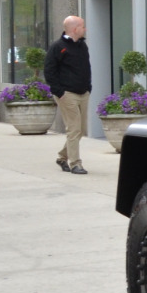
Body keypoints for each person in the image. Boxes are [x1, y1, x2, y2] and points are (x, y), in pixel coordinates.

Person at [45, 16, 92, 175]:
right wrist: (59, 92)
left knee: (81, 129)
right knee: (73, 128)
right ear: (74, 29)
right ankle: (75, 164)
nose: (84, 29)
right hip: (67, 94)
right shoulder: (58, 47)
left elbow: (86, 67)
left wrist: (88, 87)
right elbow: (49, 71)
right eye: (82, 26)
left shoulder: (82, 45)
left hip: (83, 93)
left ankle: (62, 157)